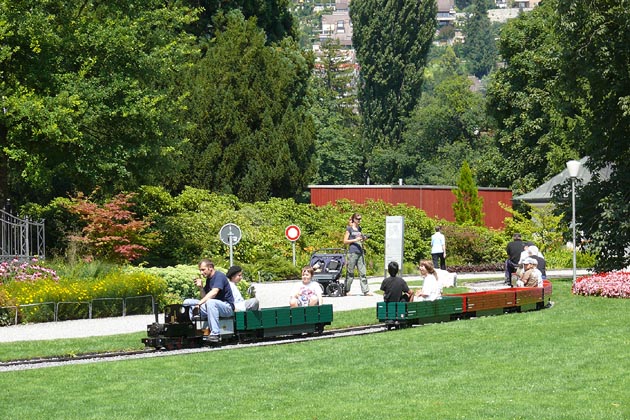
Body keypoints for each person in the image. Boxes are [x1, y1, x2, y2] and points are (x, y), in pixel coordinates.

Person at [183, 259, 234, 343]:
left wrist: (199, 304)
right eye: (200, 270)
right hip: (212, 306)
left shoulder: (219, 276)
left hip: (227, 308)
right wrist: (201, 288)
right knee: (187, 302)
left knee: (210, 302)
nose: (201, 273)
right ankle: (191, 329)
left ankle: (215, 334)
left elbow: (214, 293)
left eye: (203, 270)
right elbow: (205, 297)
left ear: (210, 267)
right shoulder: (209, 279)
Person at [343, 213, 372, 296]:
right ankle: (346, 290)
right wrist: (355, 240)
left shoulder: (359, 228)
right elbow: (345, 241)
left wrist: (364, 238)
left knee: (363, 272)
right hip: (352, 252)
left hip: (360, 252)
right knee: (350, 272)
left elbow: (361, 238)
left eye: (360, 219)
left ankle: (365, 291)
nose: (359, 220)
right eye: (358, 219)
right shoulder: (349, 229)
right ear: (354, 219)